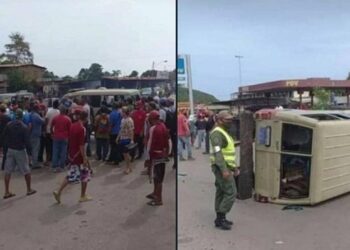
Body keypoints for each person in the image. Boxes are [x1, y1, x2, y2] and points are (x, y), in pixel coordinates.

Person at [53, 110, 92, 203]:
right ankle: (82, 195)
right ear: (86, 118)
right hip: (78, 155)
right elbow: (81, 145)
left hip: (72, 153)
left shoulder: (73, 125)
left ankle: (59, 191)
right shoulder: (82, 128)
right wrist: (85, 157)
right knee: (85, 175)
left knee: (71, 174)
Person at [209, 110, 240, 230]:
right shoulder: (217, 134)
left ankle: (219, 218)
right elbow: (218, 153)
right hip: (220, 166)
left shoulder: (223, 131)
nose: (230, 121)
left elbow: (227, 153)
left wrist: (234, 167)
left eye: (231, 119)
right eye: (228, 120)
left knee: (221, 191)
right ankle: (221, 217)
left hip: (225, 166)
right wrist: (224, 170)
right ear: (220, 120)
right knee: (231, 192)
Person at [2, 109, 36, 199]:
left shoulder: (9, 125)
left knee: (8, 171)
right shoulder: (24, 127)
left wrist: (4, 147)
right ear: (22, 117)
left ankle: (6, 192)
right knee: (26, 170)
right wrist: (30, 153)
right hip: (20, 150)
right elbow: (27, 142)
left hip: (10, 149)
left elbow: (4, 136)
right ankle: (29, 189)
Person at [145, 111, 169, 206]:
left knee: (157, 178)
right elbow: (167, 141)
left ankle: (159, 199)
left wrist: (147, 159)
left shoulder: (153, 129)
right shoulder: (163, 126)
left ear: (151, 119)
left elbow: (149, 145)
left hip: (155, 155)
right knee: (158, 177)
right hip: (162, 154)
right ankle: (155, 193)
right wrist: (167, 153)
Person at [51, 105, 72, 172]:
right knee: (63, 152)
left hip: (56, 136)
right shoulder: (68, 119)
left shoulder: (55, 118)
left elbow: (51, 126)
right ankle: (61, 166)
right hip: (65, 137)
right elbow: (70, 129)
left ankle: (55, 166)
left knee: (55, 151)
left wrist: (52, 133)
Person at [117, 107, 134, 174]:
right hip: (122, 138)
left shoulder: (129, 120)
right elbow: (121, 129)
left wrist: (132, 140)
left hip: (127, 139)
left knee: (126, 155)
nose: (121, 113)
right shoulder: (123, 120)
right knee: (125, 155)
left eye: (122, 112)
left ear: (124, 112)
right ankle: (129, 167)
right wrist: (118, 137)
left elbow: (131, 131)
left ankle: (128, 168)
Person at [44, 100, 60, 166]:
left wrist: (44, 130)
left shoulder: (49, 112)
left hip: (48, 131)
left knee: (48, 147)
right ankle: (55, 160)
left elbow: (46, 121)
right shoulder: (59, 112)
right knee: (55, 147)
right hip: (55, 131)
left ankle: (48, 160)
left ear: (53, 105)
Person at [30, 104, 45, 169]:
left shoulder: (30, 114)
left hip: (30, 134)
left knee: (31, 149)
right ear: (37, 109)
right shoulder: (36, 115)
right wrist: (43, 115)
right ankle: (35, 164)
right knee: (35, 149)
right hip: (35, 134)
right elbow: (43, 121)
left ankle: (31, 162)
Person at [0, 104, 11, 170]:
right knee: (6, 152)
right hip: (5, 137)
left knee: (5, 152)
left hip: (2, 136)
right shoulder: (8, 118)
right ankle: (4, 166)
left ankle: (4, 166)